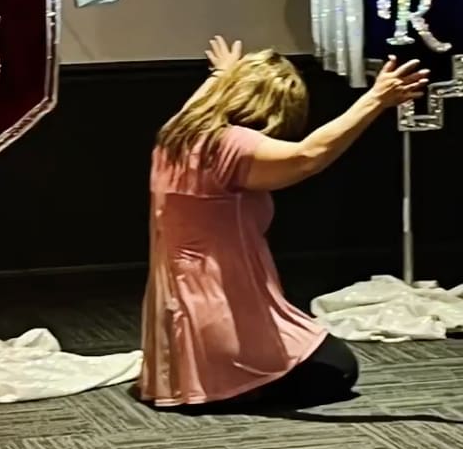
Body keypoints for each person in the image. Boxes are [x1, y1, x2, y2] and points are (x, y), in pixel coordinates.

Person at [139, 37, 428, 411]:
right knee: (339, 370)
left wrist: (223, 73)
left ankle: (210, 381)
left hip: (181, 307)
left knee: (325, 354)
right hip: (224, 315)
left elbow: (201, 105)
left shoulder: (175, 135)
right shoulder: (233, 145)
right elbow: (308, 155)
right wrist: (375, 99)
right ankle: (233, 386)